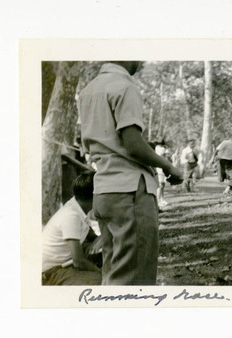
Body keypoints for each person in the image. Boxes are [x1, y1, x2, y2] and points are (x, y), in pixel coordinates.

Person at [78, 61, 183, 285]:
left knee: (113, 272)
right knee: (135, 280)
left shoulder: (88, 90)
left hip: (103, 192)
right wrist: (168, 166)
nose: (141, 61)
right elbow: (133, 145)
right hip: (129, 193)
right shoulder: (125, 86)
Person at [42, 172, 101, 285]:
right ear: (96, 195)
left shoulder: (79, 207)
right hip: (51, 272)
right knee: (102, 281)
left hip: (66, 263)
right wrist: (101, 272)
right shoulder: (71, 215)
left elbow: (91, 236)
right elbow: (79, 261)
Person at [154, 138, 169, 207]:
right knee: (160, 185)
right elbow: (164, 154)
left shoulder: (161, 148)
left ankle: (161, 199)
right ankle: (158, 201)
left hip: (162, 167)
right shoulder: (159, 148)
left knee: (162, 184)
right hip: (159, 167)